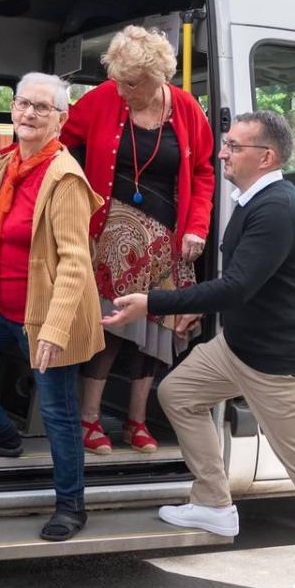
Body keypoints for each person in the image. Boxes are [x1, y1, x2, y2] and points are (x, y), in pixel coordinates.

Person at [103, 110, 295, 588]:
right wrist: (196, 310)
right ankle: (214, 504)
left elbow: (237, 286)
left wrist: (154, 303)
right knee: (179, 394)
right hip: (240, 347)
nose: (223, 152)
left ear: (266, 157)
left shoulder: (277, 208)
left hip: (284, 364)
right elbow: (243, 281)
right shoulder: (250, 199)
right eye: (226, 143)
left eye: (234, 146)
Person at [0, 72, 106, 541]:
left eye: (42, 107)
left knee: (58, 415)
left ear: (61, 119)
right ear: (12, 109)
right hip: (0, 305)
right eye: (23, 104)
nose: (29, 113)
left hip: (44, 315)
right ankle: (2, 433)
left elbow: (75, 262)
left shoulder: (64, 178)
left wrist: (54, 330)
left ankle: (71, 506)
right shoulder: (13, 165)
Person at [57, 25, 217, 456]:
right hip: (112, 234)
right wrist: (8, 160)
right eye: (118, 81)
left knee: (156, 329)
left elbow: (203, 171)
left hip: (167, 240)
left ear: (157, 77)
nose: (122, 90)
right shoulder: (104, 98)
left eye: (131, 83)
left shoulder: (186, 108)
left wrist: (197, 227)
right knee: (112, 326)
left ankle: (137, 420)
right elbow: (57, 140)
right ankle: (89, 418)